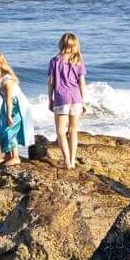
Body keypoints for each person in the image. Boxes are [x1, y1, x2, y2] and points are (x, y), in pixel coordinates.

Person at [0, 50, 34, 167]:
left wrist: (9, 115)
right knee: (3, 130)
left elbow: (9, 98)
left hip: (17, 105)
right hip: (7, 104)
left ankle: (15, 157)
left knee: (10, 129)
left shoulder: (7, 79)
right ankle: (7, 156)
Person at [48, 32, 87, 169]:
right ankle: (72, 160)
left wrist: (50, 100)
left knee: (60, 131)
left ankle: (67, 162)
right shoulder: (78, 61)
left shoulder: (54, 61)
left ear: (61, 43)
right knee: (73, 130)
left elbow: (51, 82)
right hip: (76, 98)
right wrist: (84, 101)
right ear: (75, 44)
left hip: (61, 98)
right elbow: (82, 83)